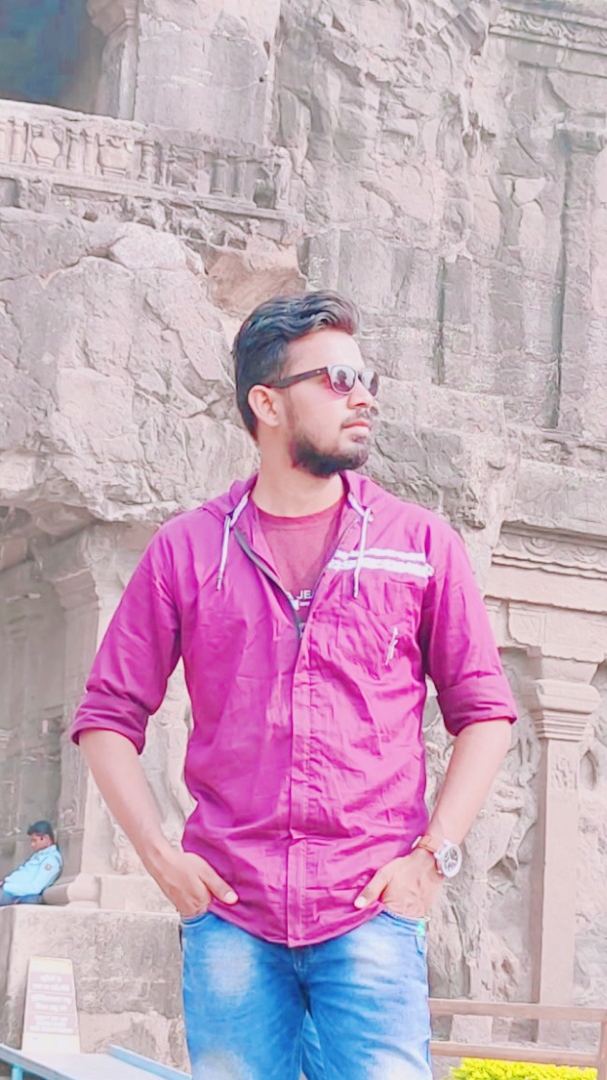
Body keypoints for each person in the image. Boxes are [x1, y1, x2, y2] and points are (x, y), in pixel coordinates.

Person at [71, 291, 517, 1080]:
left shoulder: (418, 546)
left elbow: (485, 712)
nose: (364, 397)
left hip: (371, 912)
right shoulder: (190, 550)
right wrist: (160, 859)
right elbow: (107, 715)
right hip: (231, 917)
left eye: (367, 379)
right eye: (338, 379)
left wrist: (433, 857)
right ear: (267, 403)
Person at [0, 820, 62, 906]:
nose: (32, 845)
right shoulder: (38, 856)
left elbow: (35, 888)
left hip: (14, 895)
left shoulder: (51, 861)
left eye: (35, 841)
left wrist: (5, 886)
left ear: (46, 838)